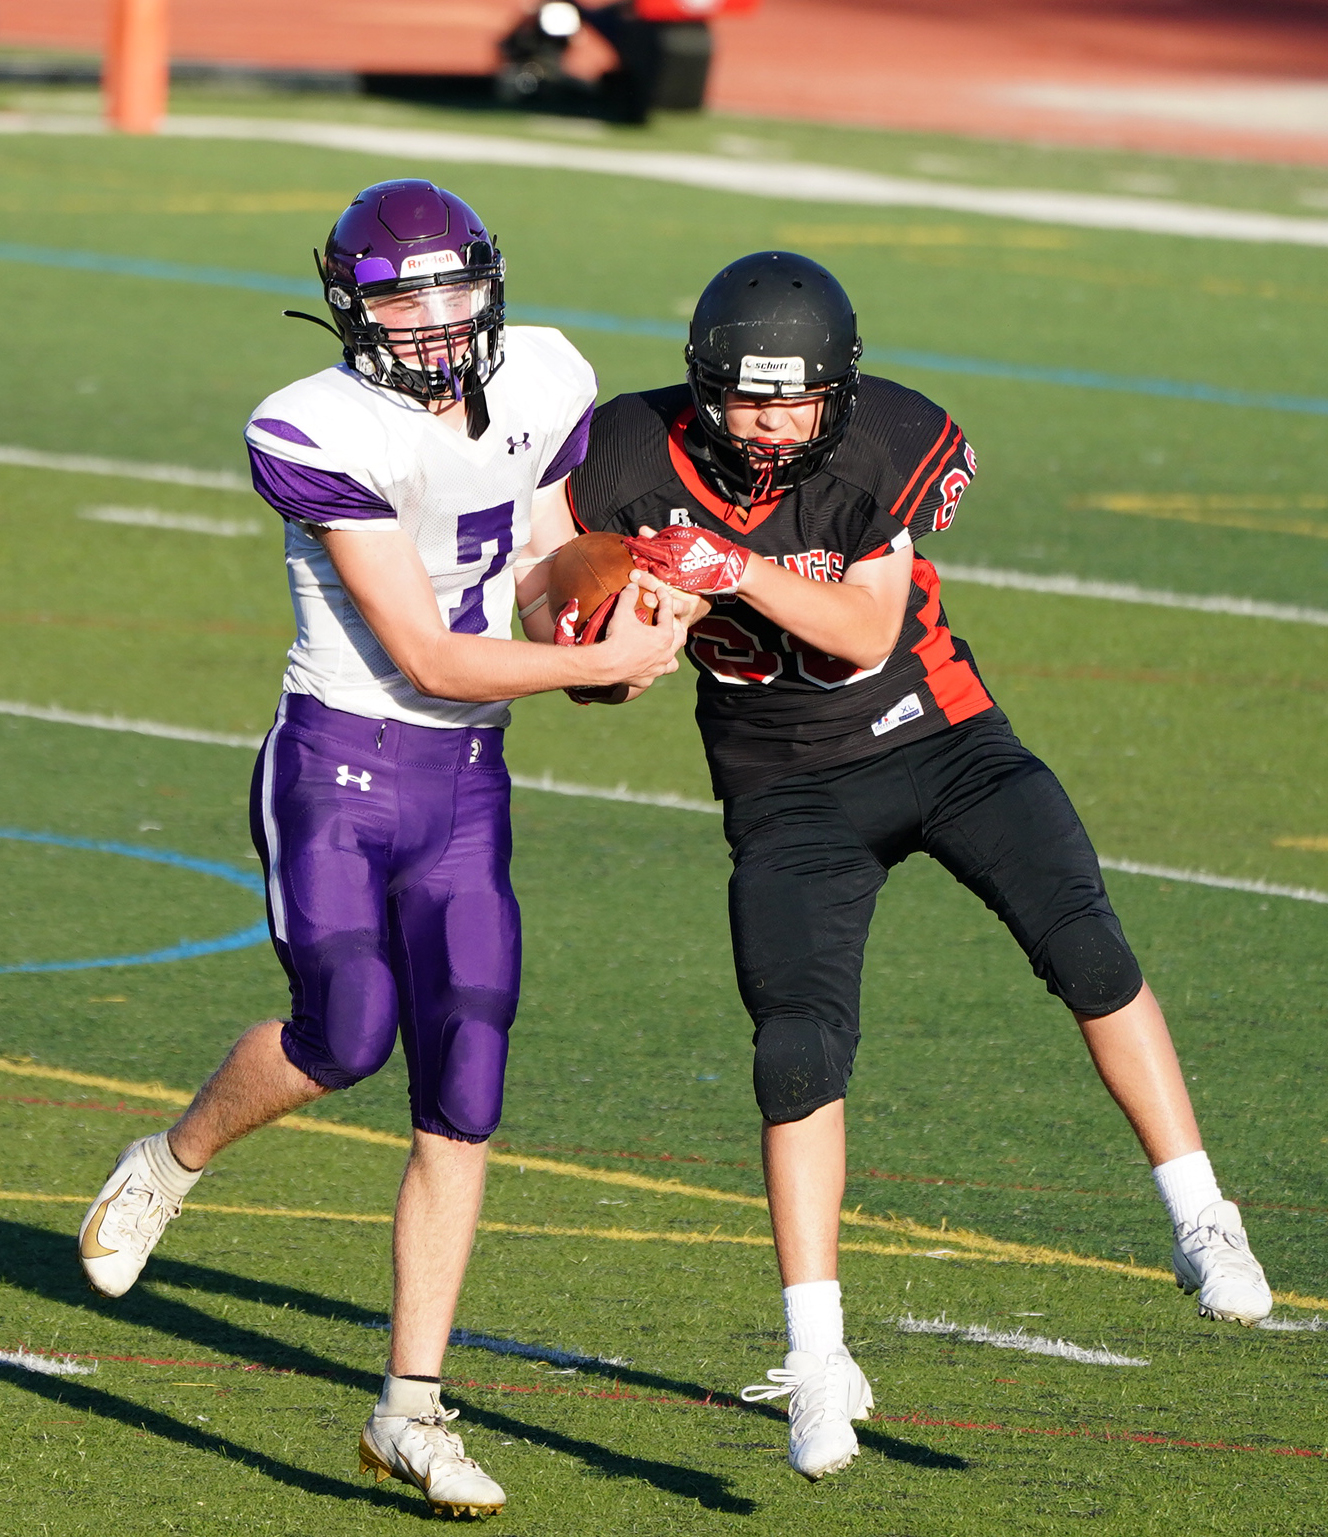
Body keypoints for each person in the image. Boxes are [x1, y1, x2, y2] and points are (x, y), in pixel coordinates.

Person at [566, 250, 1273, 1483]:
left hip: (940, 740)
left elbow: (859, 629)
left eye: (793, 398)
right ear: (699, 386)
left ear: (839, 392)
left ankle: (1198, 1215)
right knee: (794, 1045)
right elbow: (561, 608)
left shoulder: (885, 439)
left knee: (1084, 941)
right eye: (744, 397)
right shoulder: (626, 451)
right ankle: (818, 1352)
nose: (770, 421)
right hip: (784, 793)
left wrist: (724, 568)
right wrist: (616, 613)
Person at [75, 179, 684, 1520]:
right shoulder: (315, 426)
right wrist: (597, 655)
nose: (434, 321)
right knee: (344, 1033)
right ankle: (167, 1163)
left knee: (464, 1088)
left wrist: (605, 613)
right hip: (342, 772)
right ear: (354, 311)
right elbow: (422, 649)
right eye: (404, 299)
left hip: (467, 784)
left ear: (490, 285)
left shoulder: (543, 375)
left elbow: (533, 555)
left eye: (453, 290)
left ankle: (408, 1411)